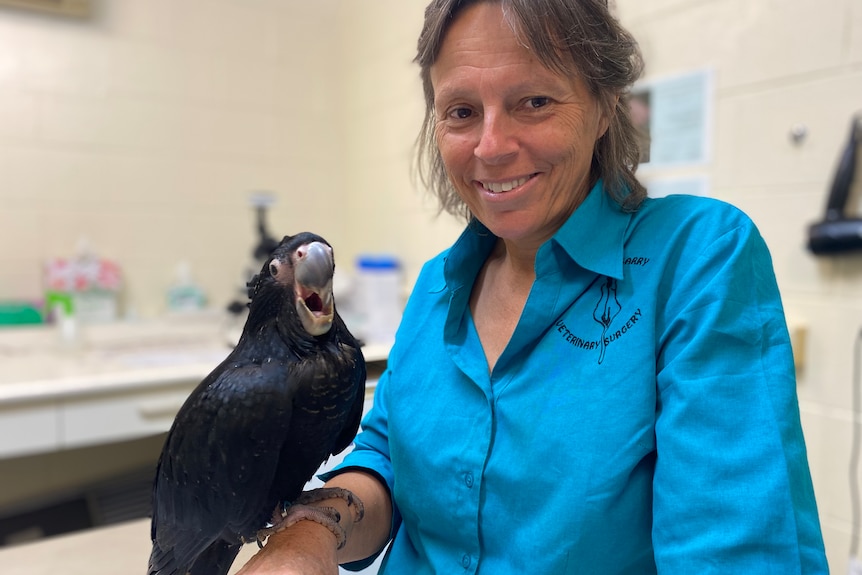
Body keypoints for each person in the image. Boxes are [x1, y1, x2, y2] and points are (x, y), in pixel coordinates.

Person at [238, 0, 829, 573]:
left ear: (604, 108)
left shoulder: (697, 257)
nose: (491, 147)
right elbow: (386, 457)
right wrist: (309, 534)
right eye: (462, 112)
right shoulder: (436, 286)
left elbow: (732, 550)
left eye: (535, 101)